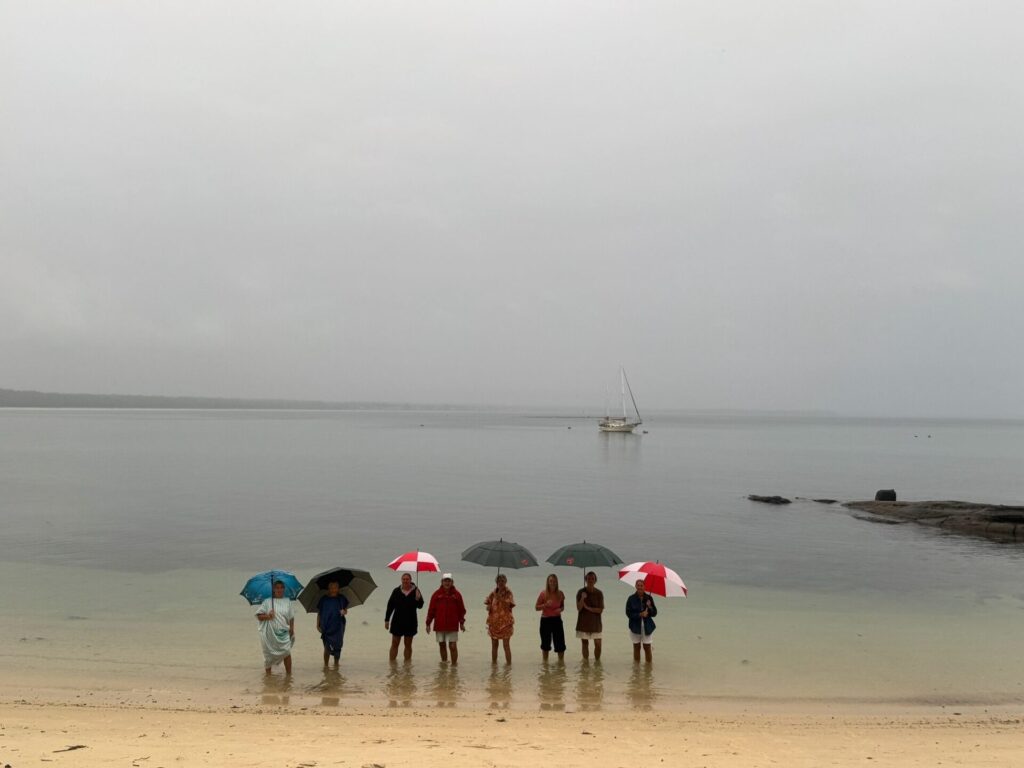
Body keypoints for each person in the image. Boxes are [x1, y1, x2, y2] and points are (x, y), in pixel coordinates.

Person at [255, 580, 295, 675]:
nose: (279, 590)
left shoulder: (287, 601)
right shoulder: (267, 602)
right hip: (269, 634)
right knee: (268, 656)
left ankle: (289, 676)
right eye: (277, 587)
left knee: (287, 652)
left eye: (281, 587)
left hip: (284, 632)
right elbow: (259, 616)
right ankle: (268, 678)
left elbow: (291, 617)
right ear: (273, 589)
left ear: (284, 589)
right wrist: (268, 616)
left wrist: (292, 629)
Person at [425, 573, 466, 665]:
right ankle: (444, 665)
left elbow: (461, 610)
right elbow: (431, 610)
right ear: (442, 582)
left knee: (453, 646)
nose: (447, 582)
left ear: (452, 582)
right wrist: (428, 623)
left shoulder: (457, 595)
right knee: (442, 645)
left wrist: (462, 623)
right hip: (439, 624)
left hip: (452, 624)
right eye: (445, 580)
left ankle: (454, 666)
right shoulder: (436, 594)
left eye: (449, 581)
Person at [385, 572, 424, 661]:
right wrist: (387, 620)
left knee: (408, 644)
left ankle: (407, 666)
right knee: (395, 643)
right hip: (397, 621)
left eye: (407, 579)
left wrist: (418, 599)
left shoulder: (416, 591)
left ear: (411, 580)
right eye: (404, 579)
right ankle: (392, 665)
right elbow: (390, 606)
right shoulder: (396, 591)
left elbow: (420, 606)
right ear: (401, 580)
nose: (405, 581)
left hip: (411, 622)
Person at [316, 580, 349, 668]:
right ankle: (326, 665)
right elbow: (319, 612)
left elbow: (346, 610)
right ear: (328, 588)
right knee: (327, 646)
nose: (334, 589)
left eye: (335, 587)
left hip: (338, 626)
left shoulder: (342, 598)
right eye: (332, 587)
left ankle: (336, 664)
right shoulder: (323, 599)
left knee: (338, 646)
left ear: (338, 588)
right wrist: (317, 625)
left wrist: (344, 612)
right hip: (326, 625)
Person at [485, 573, 515, 664]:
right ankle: (494, 666)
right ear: (496, 582)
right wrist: (488, 606)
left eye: (502, 581)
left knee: (506, 645)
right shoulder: (493, 592)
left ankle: (508, 667)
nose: (501, 583)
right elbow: (488, 603)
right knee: (494, 645)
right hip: (494, 622)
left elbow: (509, 605)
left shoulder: (508, 592)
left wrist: (500, 598)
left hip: (506, 622)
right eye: (499, 581)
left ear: (506, 582)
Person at [535, 573, 566, 662]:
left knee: (560, 645)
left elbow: (563, 606)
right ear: (548, 582)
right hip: (545, 620)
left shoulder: (560, 593)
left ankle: (561, 666)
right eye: (551, 581)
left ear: (557, 582)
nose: (553, 583)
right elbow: (536, 608)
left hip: (557, 620)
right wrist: (545, 605)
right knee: (545, 645)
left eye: (554, 581)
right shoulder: (543, 593)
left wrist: (560, 609)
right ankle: (545, 666)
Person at [625, 578, 658, 663]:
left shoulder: (649, 598)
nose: (640, 587)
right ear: (635, 586)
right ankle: (636, 670)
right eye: (638, 585)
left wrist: (650, 607)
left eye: (641, 585)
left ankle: (648, 670)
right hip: (635, 627)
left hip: (647, 627)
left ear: (644, 587)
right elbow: (628, 614)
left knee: (647, 647)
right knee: (636, 647)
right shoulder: (631, 598)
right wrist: (640, 614)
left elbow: (654, 613)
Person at [575, 571, 605, 660]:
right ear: (585, 580)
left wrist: (588, 608)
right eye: (588, 579)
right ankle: (585, 664)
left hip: (596, 623)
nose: (590, 580)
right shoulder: (581, 592)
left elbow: (600, 610)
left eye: (592, 579)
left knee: (598, 644)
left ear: (595, 580)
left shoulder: (599, 593)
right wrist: (582, 598)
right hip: (583, 622)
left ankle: (597, 664)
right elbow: (579, 608)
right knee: (585, 644)